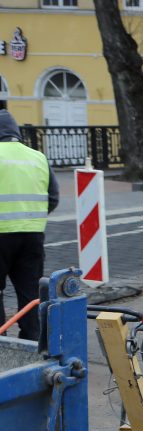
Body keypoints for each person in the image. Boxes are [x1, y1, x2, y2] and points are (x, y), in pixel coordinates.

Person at [0, 110, 59, 341]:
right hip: (32, 235)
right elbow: (52, 197)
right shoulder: (38, 157)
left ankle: (2, 341)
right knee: (30, 293)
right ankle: (33, 339)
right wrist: (31, 217)